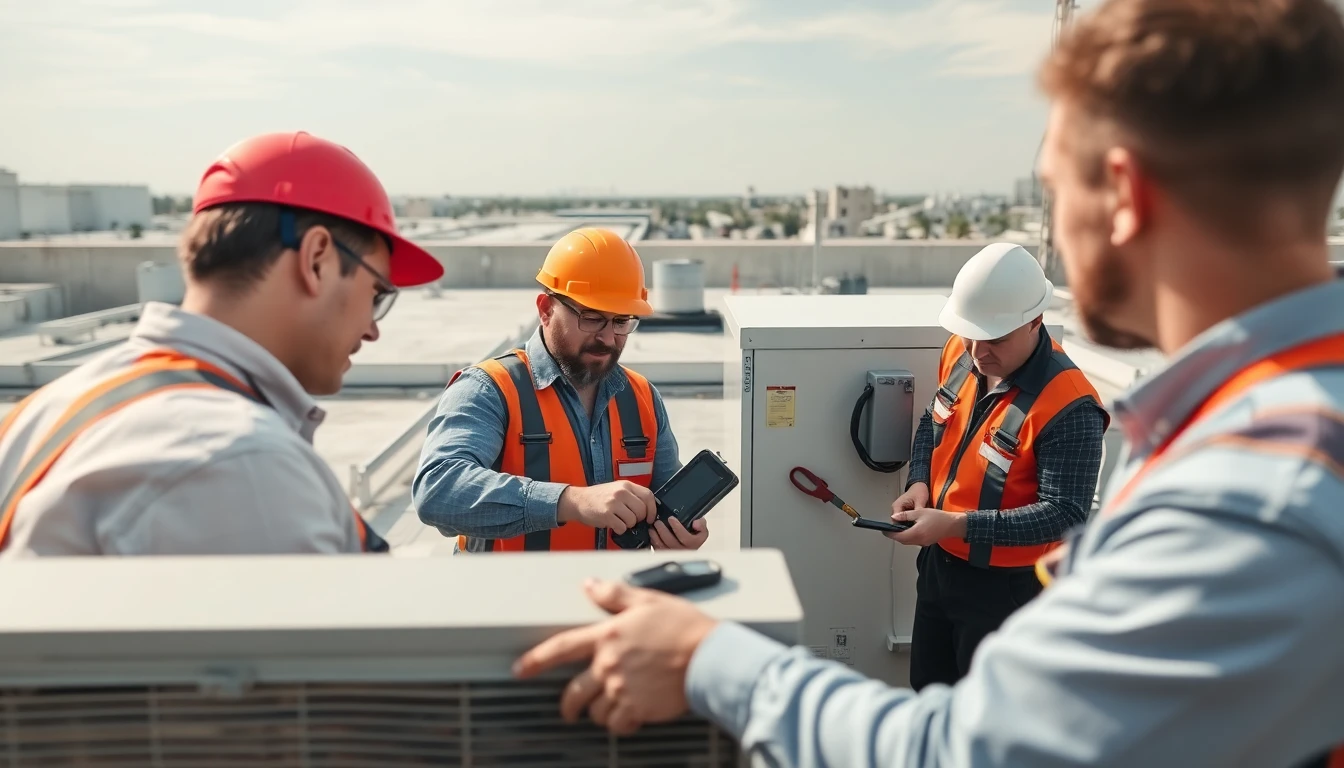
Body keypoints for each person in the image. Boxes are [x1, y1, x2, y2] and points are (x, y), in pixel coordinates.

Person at [512, 0, 1344, 765]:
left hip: (994, 588)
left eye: (1054, 191)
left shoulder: (1248, 498)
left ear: (1123, 195)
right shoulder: (1288, 435)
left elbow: (966, 752)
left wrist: (707, 657)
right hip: (947, 578)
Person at [0, 131, 444, 557]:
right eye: (376, 294)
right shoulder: (235, 458)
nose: (372, 329)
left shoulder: (49, 408)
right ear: (316, 260)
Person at [888, 241, 1108, 689]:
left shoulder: (1070, 407)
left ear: (1035, 321)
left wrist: (954, 525)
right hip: (939, 569)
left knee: (984, 723)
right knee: (928, 694)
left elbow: (1064, 514)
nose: (978, 353)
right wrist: (918, 482)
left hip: (1009, 593)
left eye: (995, 340)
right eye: (971, 337)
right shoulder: (961, 352)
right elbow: (934, 423)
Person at [412, 228, 709, 553]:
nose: (608, 338)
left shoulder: (642, 397)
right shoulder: (490, 389)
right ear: (546, 309)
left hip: (616, 598)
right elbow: (437, 490)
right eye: (592, 318)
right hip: (511, 600)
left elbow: (667, 500)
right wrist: (570, 501)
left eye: (621, 321)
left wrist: (679, 534)